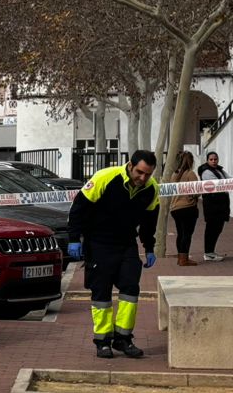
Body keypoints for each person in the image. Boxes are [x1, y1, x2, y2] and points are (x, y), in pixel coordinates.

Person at [65, 150, 161, 359]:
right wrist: (74, 238)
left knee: (130, 290)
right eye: (139, 172)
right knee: (102, 294)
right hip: (99, 243)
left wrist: (150, 247)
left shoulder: (151, 189)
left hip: (126, 244)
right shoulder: (105, 177)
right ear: (130, 165)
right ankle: (102, 341)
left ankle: (123, 339)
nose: (143, 178)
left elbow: (149, 223)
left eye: (148, 174)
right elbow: (78, 208)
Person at [169, 150, 201, 266]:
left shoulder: (174, 174)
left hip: (175, 208)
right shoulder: (190, 174)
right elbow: (197, 191)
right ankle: (184, 259)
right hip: (188, 207)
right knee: (187, 234)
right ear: (190, 161)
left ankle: (180, 257)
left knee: (180, 233)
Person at [199, 151, 231, 260]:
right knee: (212, 229)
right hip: (213, 205)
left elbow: (230, 180)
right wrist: (227, 185)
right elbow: (220, 185)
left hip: (221, 205)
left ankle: (210, 251)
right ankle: (208, 252)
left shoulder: (219, 170)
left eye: (215, 159)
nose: (213, 161)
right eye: (211, 159)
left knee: (218, 228)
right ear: (207, 160)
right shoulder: (206, 172)